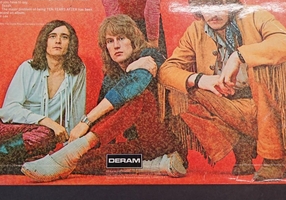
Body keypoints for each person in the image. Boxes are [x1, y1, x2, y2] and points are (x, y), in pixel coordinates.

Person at [158, 0, 286, 181]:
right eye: (206, 7)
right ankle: (242, 144)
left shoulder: (255, 16)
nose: (213, 14)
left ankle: (274, 159)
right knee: (180, 95)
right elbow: (167, 70)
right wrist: (201, 80)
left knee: (260, 68)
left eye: (219, 5)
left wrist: (239, 56)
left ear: (231, 4)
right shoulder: (196, 30)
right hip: (228, 104)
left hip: (270, 105)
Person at [21, 14, 186, 182]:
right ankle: (154, 165)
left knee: (139, 96)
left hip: (162, 141)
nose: (116, 45)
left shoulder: (151, 55)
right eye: (110, 41)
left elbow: (134, 85)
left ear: (133, 40)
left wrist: (85, 122)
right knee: (88, 159)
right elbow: (104, 121)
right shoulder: (111, 77)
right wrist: (92, 148)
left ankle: (73, 151)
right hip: (141, 149)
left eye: (121, 38)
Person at [0, 20, 86, 174]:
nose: (58, 41)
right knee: (46, 134)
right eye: (52, 36)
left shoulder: (77, 71)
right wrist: (47, 122)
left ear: (71, 43)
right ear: (44, 41)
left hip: (39, 139)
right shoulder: (28, 67)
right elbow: (10, 109)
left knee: (54, 153)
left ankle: (8, 167)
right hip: (1, 129)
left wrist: (71, 146)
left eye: (64, 37)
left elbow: (76, 111)